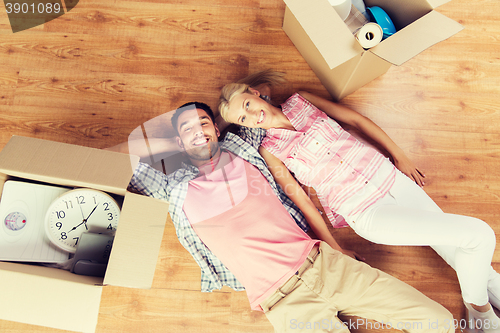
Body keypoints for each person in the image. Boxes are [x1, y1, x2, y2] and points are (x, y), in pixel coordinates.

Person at [110, 101, 454, 333]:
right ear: (178, 141)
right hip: (285, 305)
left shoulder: (244, 147)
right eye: (187, 129)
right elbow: (111, 161)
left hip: (327, 267)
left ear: (217, 128)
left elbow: (263, 106)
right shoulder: (172, 184)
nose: (199, 130)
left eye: (204, 122)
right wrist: (168, 141)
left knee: (439, 321)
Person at [218, 70, 500, 331]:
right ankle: (479, 309)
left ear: (255, 94)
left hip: (392, 179)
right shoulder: (270, 150)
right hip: (366, 211)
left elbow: (355, 120)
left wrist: (399, 155)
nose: (252, 116)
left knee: (455, 246)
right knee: (478, 236)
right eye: (242, 119)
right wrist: (335, 246)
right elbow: (302, 200)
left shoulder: (302, 100)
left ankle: (482, 307)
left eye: (246, 105)